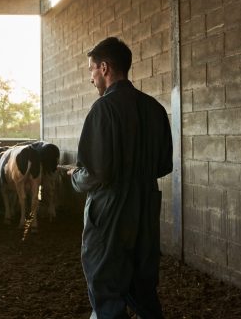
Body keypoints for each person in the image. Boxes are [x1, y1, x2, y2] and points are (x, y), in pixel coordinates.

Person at [68, 37, 173, 318]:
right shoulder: (155, 109)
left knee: (107, 294)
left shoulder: (103, 109)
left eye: (91, 70)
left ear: (104, 68)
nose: (91, 77)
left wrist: (75, 178)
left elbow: (96, 172)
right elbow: (164, 166)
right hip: (145, 215)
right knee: (144, 294)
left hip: (110, 216)